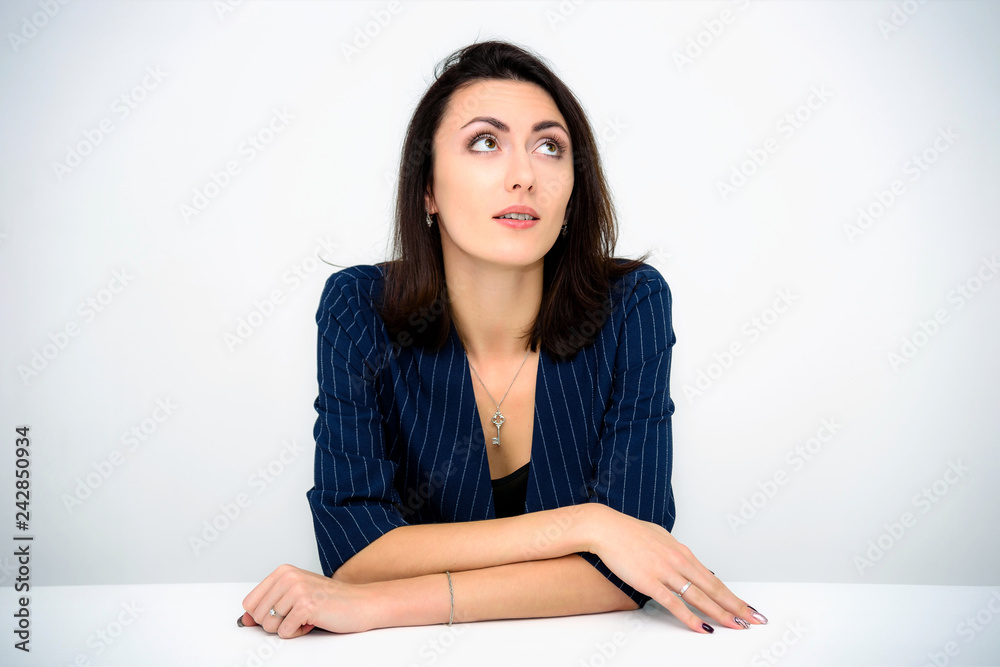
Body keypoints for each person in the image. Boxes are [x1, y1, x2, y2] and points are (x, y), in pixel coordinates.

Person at [239, 39, 767, 639]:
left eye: (549, 147)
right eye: (485, 142)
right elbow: (356, 551)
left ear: (573, 189)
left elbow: (632, 567)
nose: (524, 175)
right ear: (428, 190)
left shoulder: (632, 305)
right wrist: (589, 525)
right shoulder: (358, 310)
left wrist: (378, 606)